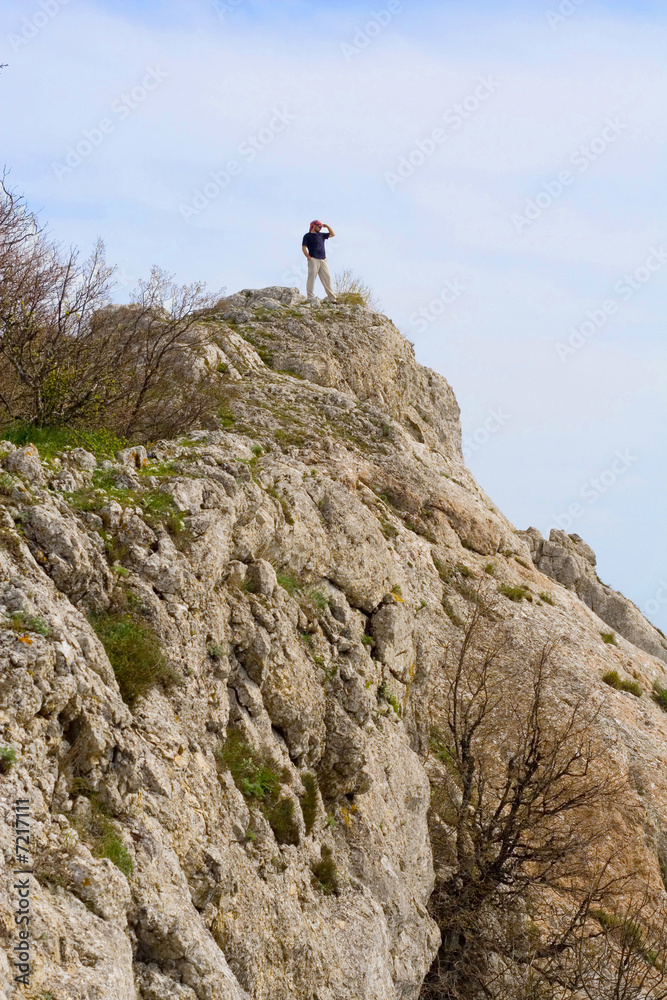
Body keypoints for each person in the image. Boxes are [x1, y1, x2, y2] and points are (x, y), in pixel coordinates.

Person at [302, 220, 337, 302]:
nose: (320, 228)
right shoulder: (307, 236)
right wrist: (309, 257)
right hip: (313, 259)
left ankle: (332, 298)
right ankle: (310, 296)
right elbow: (303, 247)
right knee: (312, 277)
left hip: (323, 259)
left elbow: (333, 234)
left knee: (327, 278)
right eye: (319, 226)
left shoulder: (321, 235)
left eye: (321, 226)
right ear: (313, 226)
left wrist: (327, 226)